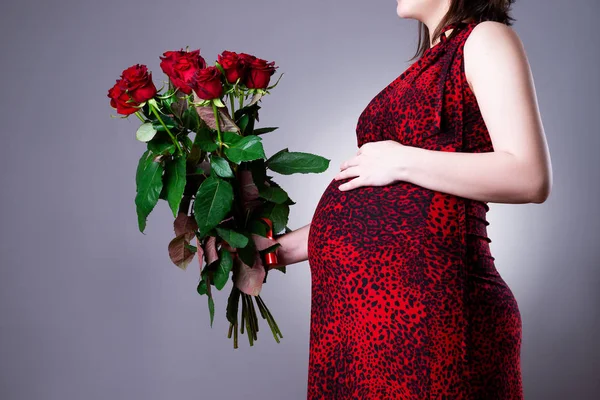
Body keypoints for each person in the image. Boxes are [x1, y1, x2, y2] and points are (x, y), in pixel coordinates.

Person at [272, 0, 552, 398]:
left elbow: (530, 175)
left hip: (430, 316)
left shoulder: (486, 38)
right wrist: (268, 252)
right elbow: (374, 196)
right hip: (362, 324)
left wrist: (401, 159)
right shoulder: (434, 59)